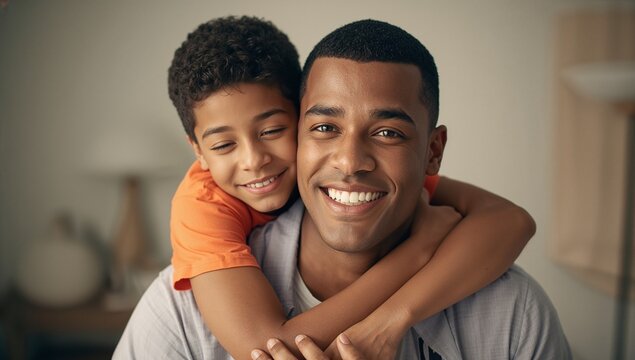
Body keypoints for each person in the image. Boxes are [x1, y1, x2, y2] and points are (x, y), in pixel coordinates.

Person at [114, 18, 569, 360]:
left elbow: (510, 221)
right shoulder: (184, 305)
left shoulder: (512, 312)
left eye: (388, 133)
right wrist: (419, 252)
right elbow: (262, 349)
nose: (350, 162)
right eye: (326, 126)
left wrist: (389, 324)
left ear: (433, 151)